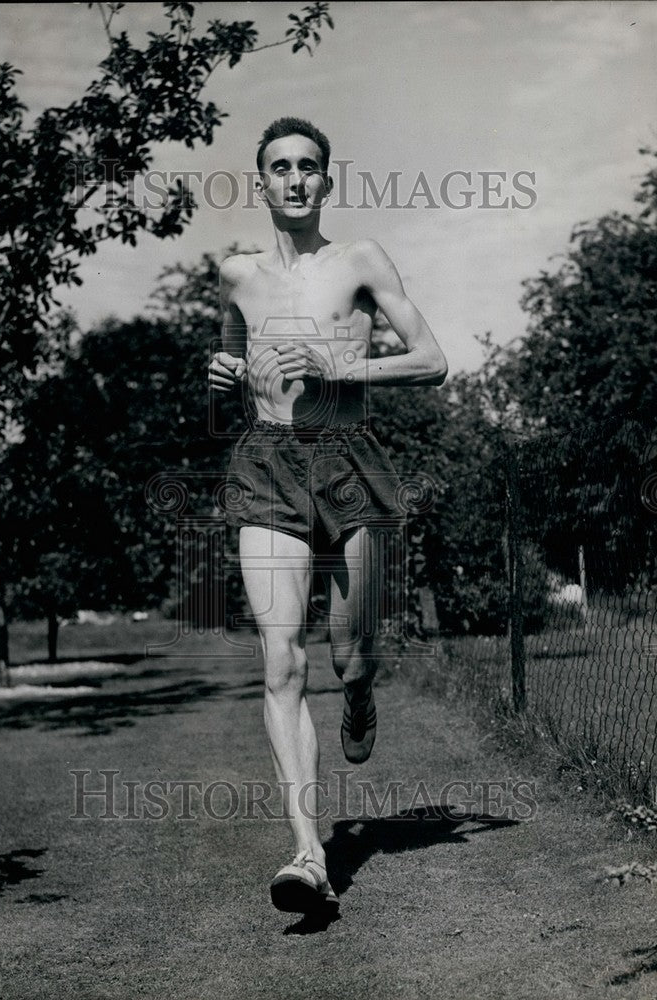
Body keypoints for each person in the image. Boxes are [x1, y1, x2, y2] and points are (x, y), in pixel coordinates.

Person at [208, 117, 447, 914]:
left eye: (309, 166)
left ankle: (362, 693)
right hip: (266, 464)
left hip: (348, 459)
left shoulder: (361, 261)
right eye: (280, 167)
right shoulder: (236, 275)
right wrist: (224, 374)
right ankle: (309, 855)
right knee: (282, 662)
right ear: (263, 181)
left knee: (352, 655)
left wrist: (343, 361)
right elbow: (237, 362)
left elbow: (433, 358)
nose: (296, 178)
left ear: (326, 181)